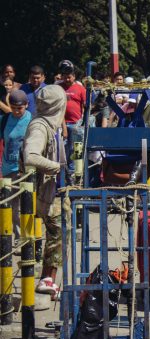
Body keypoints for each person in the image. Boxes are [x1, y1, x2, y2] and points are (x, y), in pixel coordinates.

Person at [25, 85, 66, 300]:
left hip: (54, 190)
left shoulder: (52, 124)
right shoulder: (40, 127)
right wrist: (56, 166)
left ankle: (48, 277)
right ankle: (46, 279)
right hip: (43, 192)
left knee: (61, 232)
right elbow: (31, 155)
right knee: (57, 233)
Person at [1, 90, 32, 239]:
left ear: (27, 105)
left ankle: (31, 235)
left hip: (26, 169)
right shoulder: (5, 119)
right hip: (8, 169)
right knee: (12, 206)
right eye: (13, 108)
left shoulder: (32, 119)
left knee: (28, 204)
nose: (16, 111)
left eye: (20, 108)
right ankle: (19, 236)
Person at [58, 61, 86, 178]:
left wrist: (82, 122)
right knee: (64, 150)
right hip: (62, 124)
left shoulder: (80, 88)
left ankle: (76, 174)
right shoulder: (58, 88)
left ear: (74, 77)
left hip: (76, 124)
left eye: (69, 77)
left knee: (77, 149)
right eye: (65, 77)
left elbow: (85, 105)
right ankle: (65, 175)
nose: (67, 79)